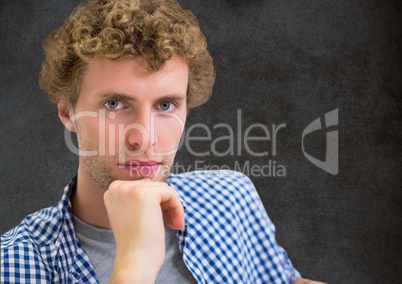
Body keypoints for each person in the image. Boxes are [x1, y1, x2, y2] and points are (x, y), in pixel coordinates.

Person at [1, 0, 324, 283]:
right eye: (114, 104)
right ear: (66, 112)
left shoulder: (231, 197)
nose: (144, 137)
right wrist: (136, 263)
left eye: (165, 105)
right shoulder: (13, 266)